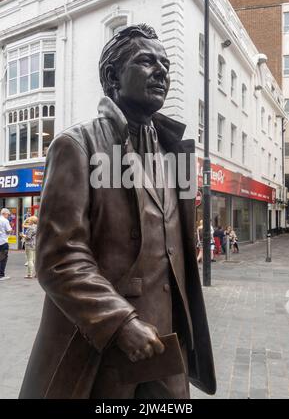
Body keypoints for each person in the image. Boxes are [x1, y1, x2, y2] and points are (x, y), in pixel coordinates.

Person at [19, 24, 216, 399]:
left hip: (167, 349)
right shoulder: (76, 146)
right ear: (112, 77)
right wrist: (120, 322)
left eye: (166, 64)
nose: (162, 72)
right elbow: (59, 257)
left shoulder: (176, 154)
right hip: (104, 349)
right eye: (146, 61)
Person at [0, 208, 12, 281]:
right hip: (3, 241)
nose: (8, 216)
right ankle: (1, 275)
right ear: (4, 213)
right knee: (3, 258)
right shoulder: (5, 221)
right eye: (8, 214)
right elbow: (8, 230)